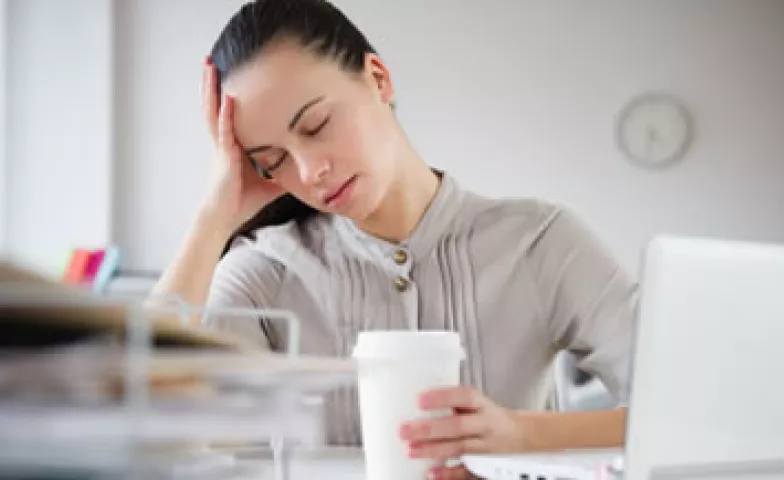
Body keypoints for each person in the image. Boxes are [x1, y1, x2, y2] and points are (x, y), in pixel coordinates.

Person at [151, 0, 638, 478]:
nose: (310, 171)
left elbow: (676, 412)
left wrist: (521, 435)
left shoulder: (539, 243)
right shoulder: (264, 272)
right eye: (273, 161)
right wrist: (215, 215)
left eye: (317, 126)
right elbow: (146, 425)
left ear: (378, 78)